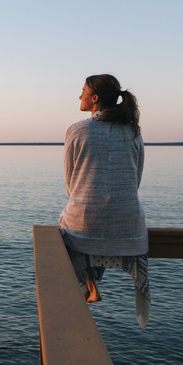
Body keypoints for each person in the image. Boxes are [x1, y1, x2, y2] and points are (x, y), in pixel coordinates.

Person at [58, 74, 150, 328]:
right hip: (129, 222)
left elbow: (70, 182)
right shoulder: (132, 131)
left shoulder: (77, 130)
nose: (80, 96)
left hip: (86, 219)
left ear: (94, 98)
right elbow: (137, 178)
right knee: (97, 226)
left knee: (71, 224)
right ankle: (94, 280)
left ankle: (90, 283)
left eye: (83, 91)